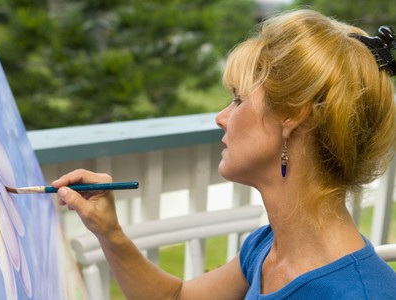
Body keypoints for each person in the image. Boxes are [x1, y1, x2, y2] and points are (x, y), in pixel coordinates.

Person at [52, 9, 396, 299]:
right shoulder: (266, 248)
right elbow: (176, 297)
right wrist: (109, 232)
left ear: (296, 115)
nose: (221, 118)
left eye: (238, 99)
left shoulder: (360, 293)